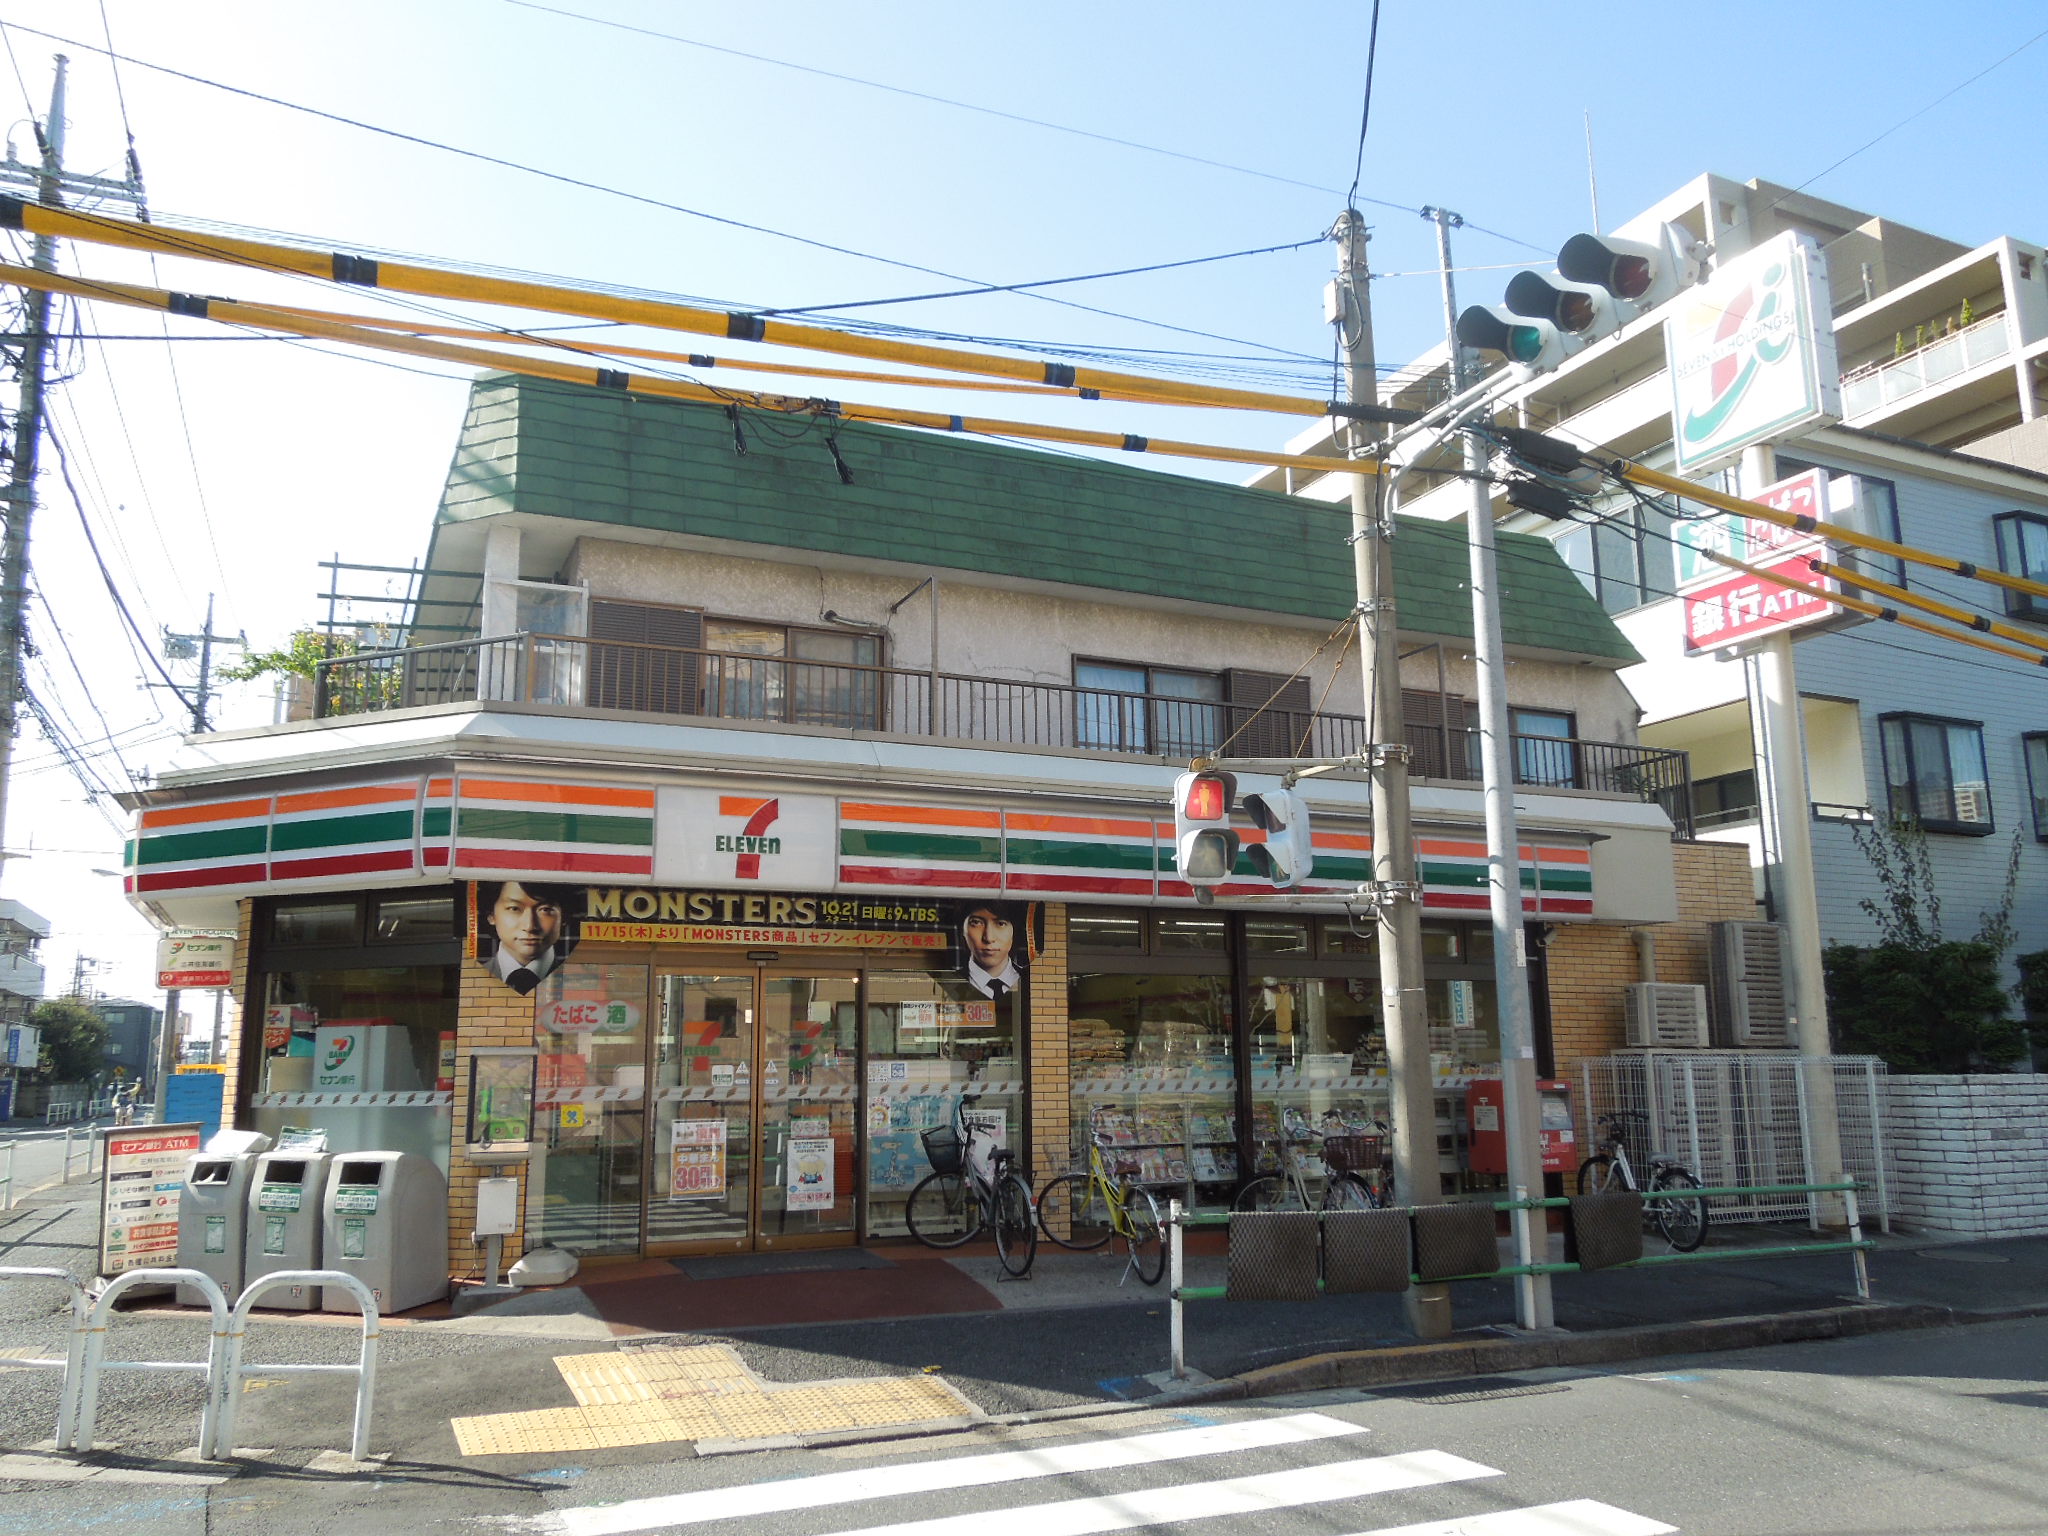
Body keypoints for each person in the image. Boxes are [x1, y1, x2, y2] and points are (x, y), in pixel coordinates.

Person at [483, 880, 572, 994]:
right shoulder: (471, 977)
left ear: (564, 917)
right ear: (491, 915)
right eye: (514, 908)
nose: (529, 926)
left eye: (545, 909)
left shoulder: (582, 980)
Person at [959, 904, 1022, 999]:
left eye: (1000, 924)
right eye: (976, 922)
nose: (988, 938)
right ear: (963, 930)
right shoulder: (949, 982)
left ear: (1014, 930)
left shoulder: (1030, 980)